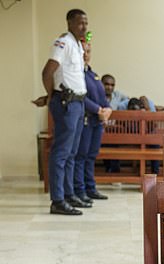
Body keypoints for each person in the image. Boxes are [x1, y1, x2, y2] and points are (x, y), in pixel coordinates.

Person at [41, 9, 92, 215]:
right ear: (70, 23)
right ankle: (58, 200)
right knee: (61, 153)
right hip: (66, 102)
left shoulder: (77, 45)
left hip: (78, 103)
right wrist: (52, 95)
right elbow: (47, 72)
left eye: (86, 23)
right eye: (80, 23)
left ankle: (70, 194)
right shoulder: (63, 42)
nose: (84, 27)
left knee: (72, 153)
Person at [73, 40, 112, 202]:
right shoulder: (76, 74)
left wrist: (108, 109)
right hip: (86, 120)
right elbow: (81, 97)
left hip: (97, 122)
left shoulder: (92, 74)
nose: (85, 55)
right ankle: (79, 190)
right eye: (82, 52)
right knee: (81, 156)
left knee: (91, 156)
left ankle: (90, 187)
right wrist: (98, 110)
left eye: (88, 52)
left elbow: (102, 97)